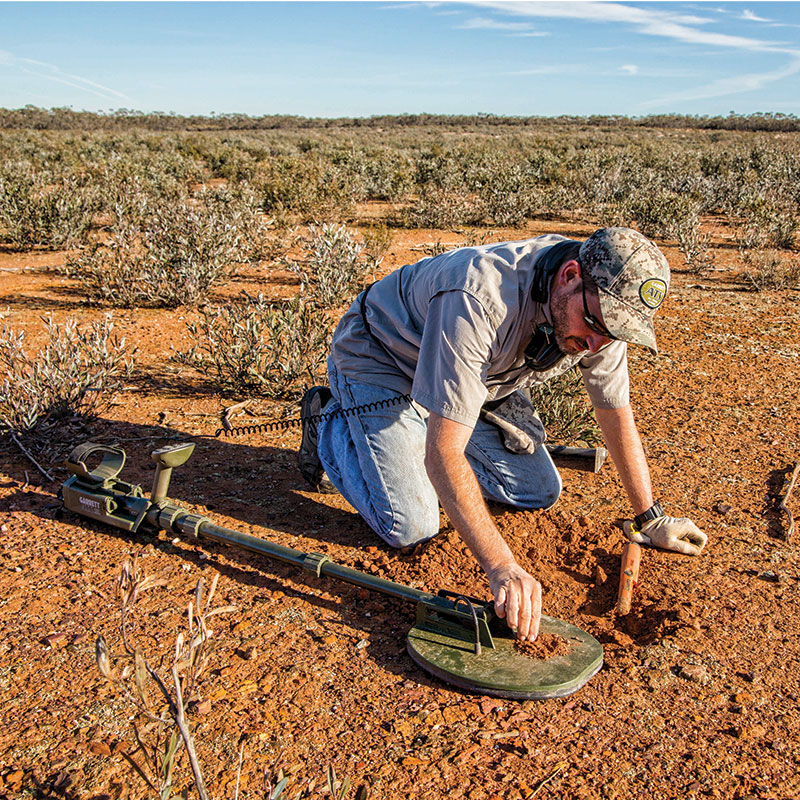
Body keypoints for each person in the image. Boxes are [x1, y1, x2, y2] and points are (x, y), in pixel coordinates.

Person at [297, 228, 707, 641]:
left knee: (537, 490)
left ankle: (426, 417)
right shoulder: (479, 298)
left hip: (480, 379)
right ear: (569, 275)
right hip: (383, 357)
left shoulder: (601, 314)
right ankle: (329, 420)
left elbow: (614, 412)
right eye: (595, 324)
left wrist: (650, 518)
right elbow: (442, 455)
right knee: (410, 525)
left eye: (613, 332)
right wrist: (502, 567)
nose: (596, 342)